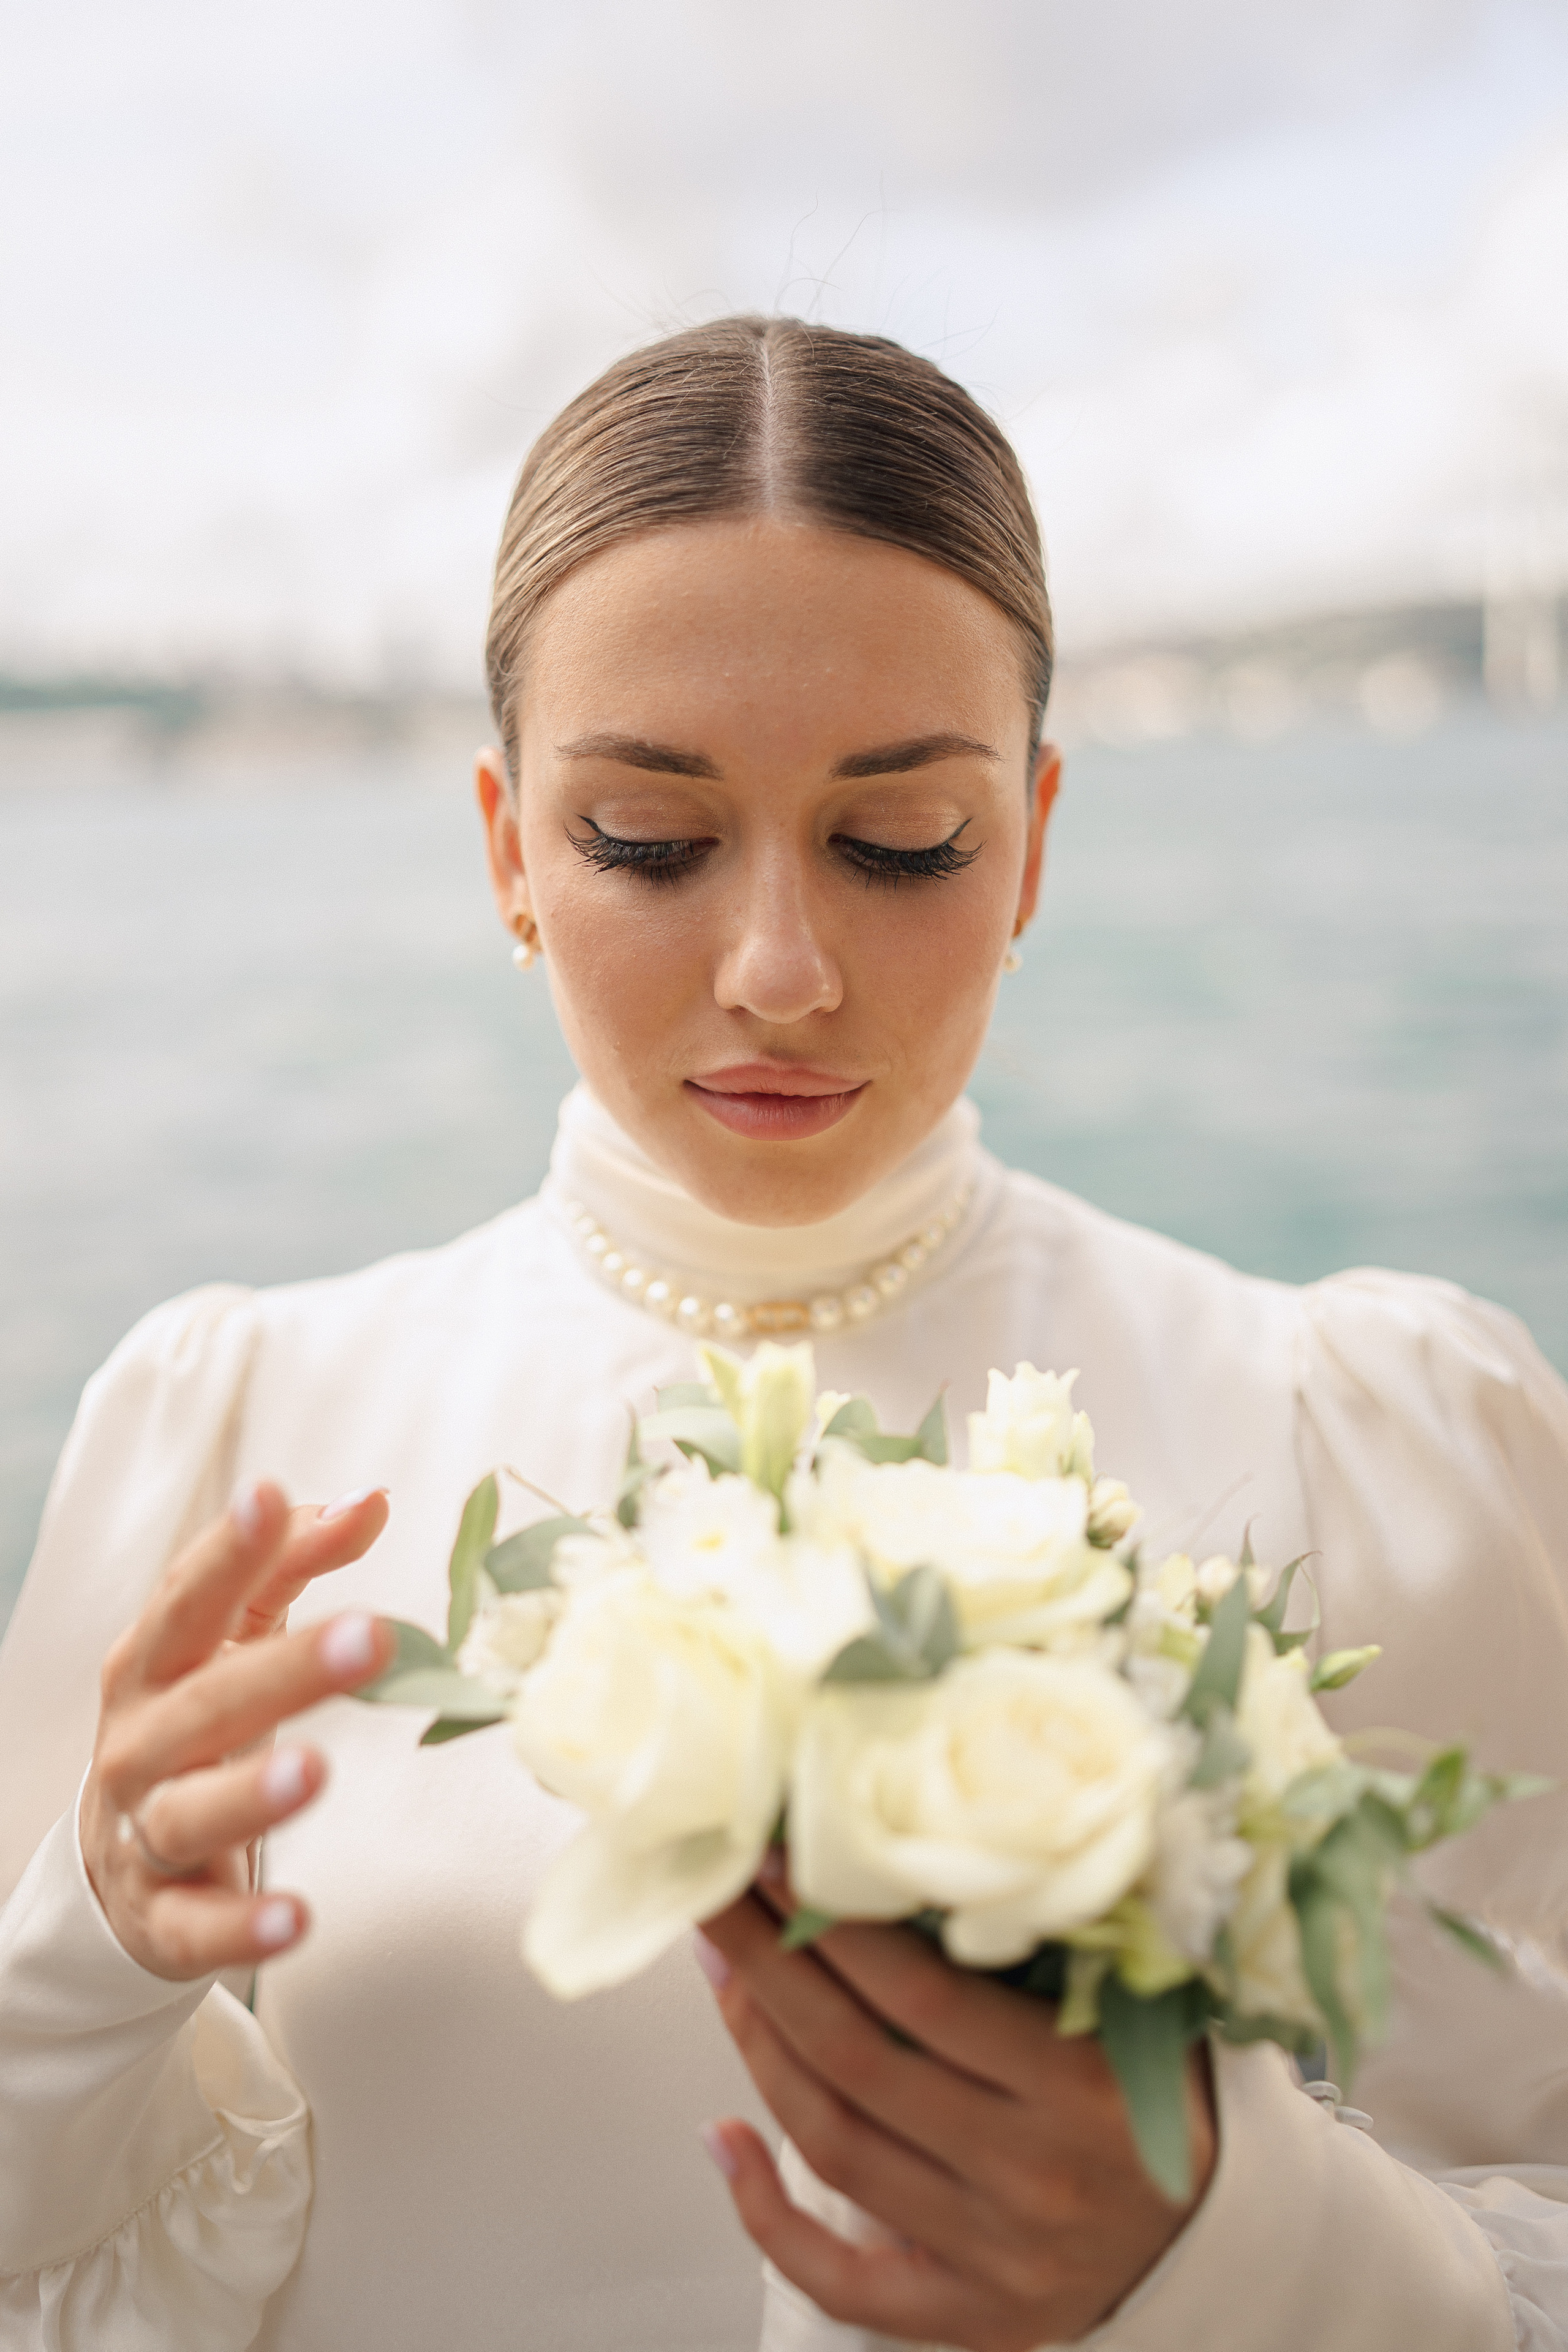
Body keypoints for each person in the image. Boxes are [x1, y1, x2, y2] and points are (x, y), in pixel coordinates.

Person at [1, 317, 1566, 2352]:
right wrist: (88, 1952)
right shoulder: (225, 1439)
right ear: (504, 851)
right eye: (645, 844)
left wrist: (1233, 2246)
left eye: (903, 841)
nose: (778, 968)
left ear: (1035, 839)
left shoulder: (1360, 1434)